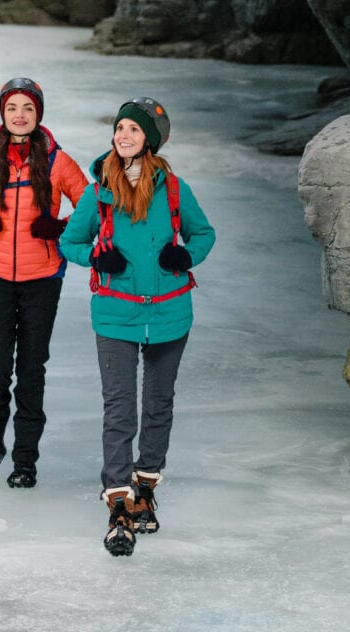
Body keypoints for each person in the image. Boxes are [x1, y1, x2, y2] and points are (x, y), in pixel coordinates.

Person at [60, 96, 215, 556]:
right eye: (120, 127)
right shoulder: (99, 190)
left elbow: (203, 233)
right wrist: (94, 255)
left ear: (150, 139)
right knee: (120, 408)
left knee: (159, 403)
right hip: (116, 314)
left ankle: (145, 483)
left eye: (133, 129)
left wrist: (186, 255)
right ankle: (118, 499)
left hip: (170, 312)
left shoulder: (173, 190)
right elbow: (70, 239)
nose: (123, 135)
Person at [0, 77, 89, 488]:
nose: (20, 115)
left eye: (28, 107)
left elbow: (92, 206)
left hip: (42, 279)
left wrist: (59, 227)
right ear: (3, 114)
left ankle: (25, 459)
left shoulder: (59, 162)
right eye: (13, 108)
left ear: (38, 114)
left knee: (31, 369)